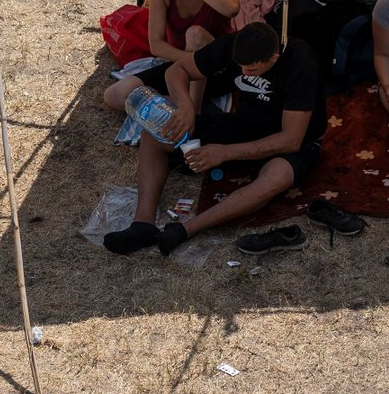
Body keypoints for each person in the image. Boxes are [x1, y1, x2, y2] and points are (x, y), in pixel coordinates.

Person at [102, 21, 329, 257]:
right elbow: (176, 70)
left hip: (293, 140)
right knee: (155, 134)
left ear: (273, 58)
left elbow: (290, 140)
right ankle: (142, 224)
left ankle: (185, 230)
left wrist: (225, 152)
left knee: (276, 178)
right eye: (240, 67)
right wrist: (186, 107)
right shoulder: (236, 44)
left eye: (251, 70)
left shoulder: (301, 65)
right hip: (245, 124)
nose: (243, 74)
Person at [104, 0, 239, 114]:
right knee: (115, 95)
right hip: (182, 65)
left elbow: (232, 8)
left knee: (195, 34)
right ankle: (185, 106)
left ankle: (194, 113)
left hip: (217, 68)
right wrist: (191, 61)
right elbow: (156, 45)